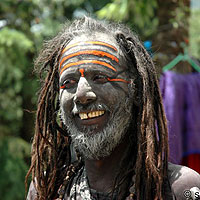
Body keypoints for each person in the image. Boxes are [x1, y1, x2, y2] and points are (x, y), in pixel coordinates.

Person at [26, 17, 200, 200]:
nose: (81, 94)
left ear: (136, 90)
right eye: (68, 82)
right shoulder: (46, 190)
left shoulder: (181, 190)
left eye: (100, 77)